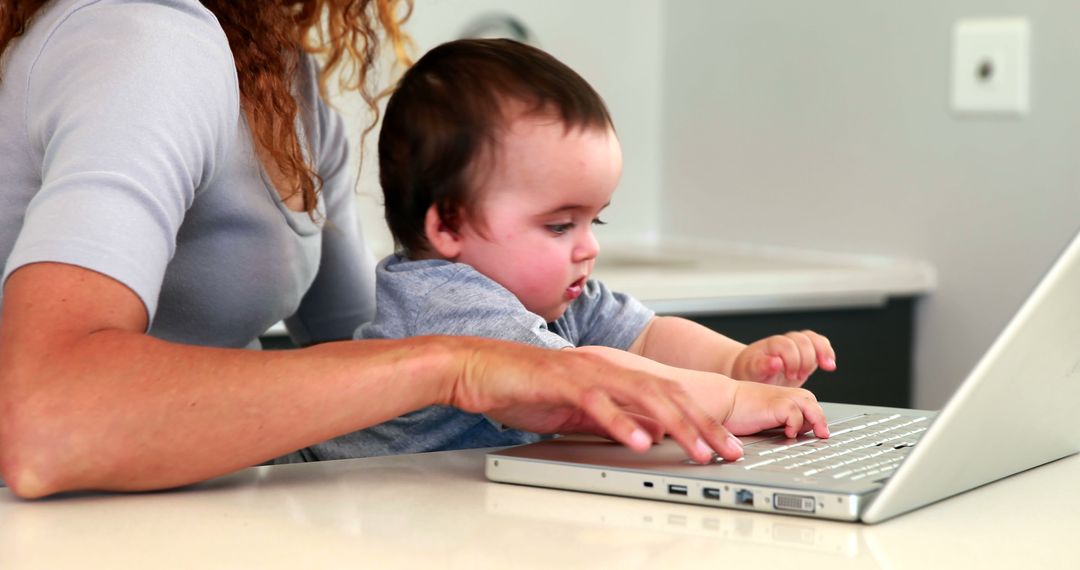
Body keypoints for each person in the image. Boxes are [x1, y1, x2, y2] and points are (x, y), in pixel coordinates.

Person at [0, 0, 778, 499]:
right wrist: (462, 365)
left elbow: (367, 345)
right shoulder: (148, 42)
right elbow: (45, 425)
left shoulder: (289, 89)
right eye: (559, 221)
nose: (584, 245)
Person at [311, 38, 835, 459]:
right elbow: (587, 377)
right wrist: (732, 400)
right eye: (560, 225)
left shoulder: (554, 295)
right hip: (326, 504)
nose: (589, 246)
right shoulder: (444, 303)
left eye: (595, 218)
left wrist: (736, 363)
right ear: (449, 224)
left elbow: (648, 337)